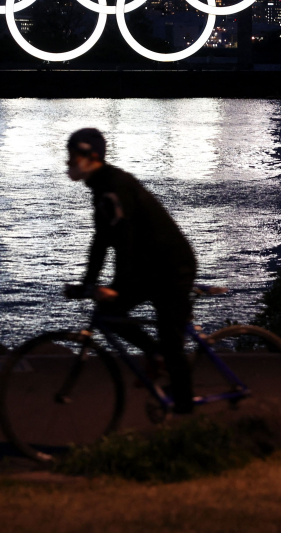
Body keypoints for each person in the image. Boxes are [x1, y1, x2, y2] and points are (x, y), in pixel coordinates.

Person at [63, 127, 197, 413]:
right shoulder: (101, 188)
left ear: (92, 156)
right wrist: (86, 284)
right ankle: (154, 355)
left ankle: (187, 418)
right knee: (109, 314)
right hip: (149, 267)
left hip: (173, 267)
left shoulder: (115, 187)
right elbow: (101, 241)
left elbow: (125, 240)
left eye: (73, 156)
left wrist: (118, 285)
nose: (68, 163)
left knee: (171, 341)